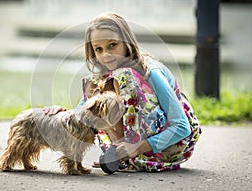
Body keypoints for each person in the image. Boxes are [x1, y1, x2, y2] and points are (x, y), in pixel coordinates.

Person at [44, 13, 201, 172]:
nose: (106, 55)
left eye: (112, 45)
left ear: (127, 42)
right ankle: (120, 152)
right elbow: (83, 111)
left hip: (174, 144)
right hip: (139, 145)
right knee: (99, 88)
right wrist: (61, 113)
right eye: (99, 49)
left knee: (122, 78)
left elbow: (182, 127)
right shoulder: (104, 78)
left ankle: (130, 152)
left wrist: (138, 147)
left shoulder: (150, 71)